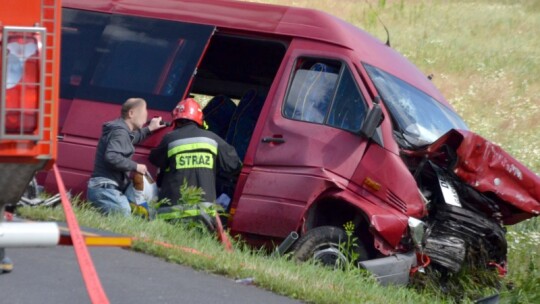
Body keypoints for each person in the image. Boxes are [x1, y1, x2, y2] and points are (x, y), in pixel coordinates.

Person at [149, 98, 241, 207]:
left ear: (176, 120)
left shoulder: (170, 138)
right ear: (200, 118)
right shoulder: (213, 139)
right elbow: (235, 165)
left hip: (172, 211)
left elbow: (154, 159)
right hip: (205, 212)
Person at [87, 98, 166, 216]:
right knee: (123, 221)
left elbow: (131, 138)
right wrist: (136, 166)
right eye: (144, 111)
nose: (146, 115)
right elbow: (112, 156)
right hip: (106, 190)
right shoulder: (120, 132)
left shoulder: (122, 131)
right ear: (131, 113)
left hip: (104, 189)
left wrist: (149, 129)